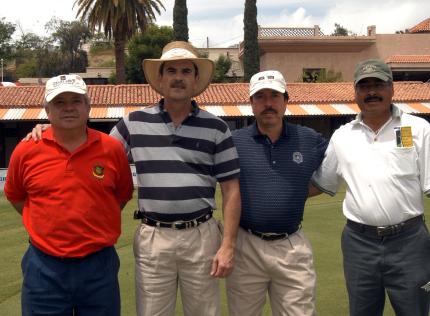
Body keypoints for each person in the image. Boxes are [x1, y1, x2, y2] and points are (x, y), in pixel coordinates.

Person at [112, 41, 241, 315]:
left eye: (186, 71)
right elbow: (96, 155)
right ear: (160, 78)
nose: (178, 77)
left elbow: (231, 190)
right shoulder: (133, 123)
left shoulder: (217, 128)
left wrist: (228, 244)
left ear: (195, 80)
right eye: (171, 70)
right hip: (153, 237)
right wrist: (47, 132)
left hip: (202, 237)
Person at [4, 74, 133, 316]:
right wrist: (47, 221)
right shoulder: (26, 150)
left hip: (99, 265)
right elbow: (16, 197)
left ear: (88, 107)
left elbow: (122, 196)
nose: (68, 108)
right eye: (59, 102)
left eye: (76, 101)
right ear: (47, 110)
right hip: (44, 266)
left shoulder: (112, 149)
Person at [311, 59, 430, 316]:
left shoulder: (419, 129)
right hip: (359, 243)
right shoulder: (342, 136)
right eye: (364, 86)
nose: (372, 92)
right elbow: (321, 183)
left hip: (409, 242)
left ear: (392, 89)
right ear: (355, 92)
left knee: (415, 311)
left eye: (379, 84)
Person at [227, 70, 328, 316]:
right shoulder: (234, 142)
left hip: (291, 246)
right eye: (260, 97)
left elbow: (338, 168)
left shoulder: (309, 139)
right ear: (251, 104)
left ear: (286, 100)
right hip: (246, 245)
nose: (268, 103)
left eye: (274, 95)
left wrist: (296, 193)